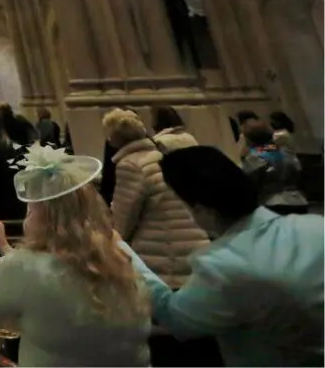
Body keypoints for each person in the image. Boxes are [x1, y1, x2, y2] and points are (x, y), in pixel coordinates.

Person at [0, 144, 152, 366]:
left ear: (40, 216)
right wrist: (4, 246)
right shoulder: (119, 256)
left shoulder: (24, 266)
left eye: (30, 210)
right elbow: (49, 278)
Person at [126, 145, 324, 366]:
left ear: (202, 210)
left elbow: (177, 319)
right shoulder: (316, 226)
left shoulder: (221, 265)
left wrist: (126, 257)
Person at [102, 108, 207, 285]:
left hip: (161, 254)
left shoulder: (130, 165)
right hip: (192, 246)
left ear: (113, 139)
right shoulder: (162, 155)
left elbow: (123, 221)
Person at [240, 122, 308, 211]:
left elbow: (246, 185)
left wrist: (242, 153)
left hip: (272, 205)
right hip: (298, 200)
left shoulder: (255, 157)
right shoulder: (284, 151)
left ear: (248, 140)